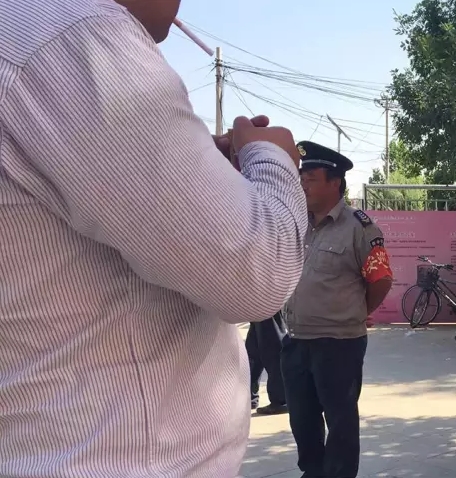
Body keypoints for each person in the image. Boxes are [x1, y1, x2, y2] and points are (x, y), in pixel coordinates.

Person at [0, 0, 308, 476]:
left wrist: (208, 178)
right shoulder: (74, 35)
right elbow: (258, 270)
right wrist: (272, 159)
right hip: (117, 459)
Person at [281, 141, 393, 478]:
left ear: (335, 183)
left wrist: (356, 312)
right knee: (302, 419)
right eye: (302, 179)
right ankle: (313, 472)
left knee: (340, 422)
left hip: (339, 343)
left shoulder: (360, 227)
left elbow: (381, 279)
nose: (303, 185)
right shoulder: (296, 222)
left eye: (311, 179)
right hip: (296, 339)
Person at [246, 311, 288, 415]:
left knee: (271, 346)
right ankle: (248, 396)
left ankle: (281, 399)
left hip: (265, 305)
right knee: (253, 350)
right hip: (256, 305)